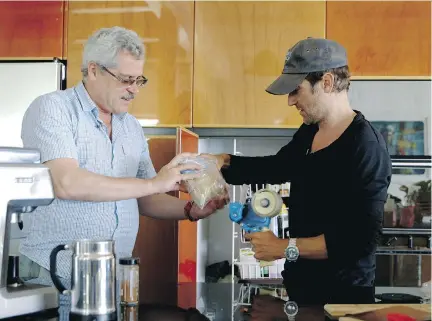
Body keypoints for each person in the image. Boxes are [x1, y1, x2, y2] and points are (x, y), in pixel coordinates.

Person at [19, 26, 228, 311]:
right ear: (93, 70)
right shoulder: (53, 109)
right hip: (53, 274)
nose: (135, 90)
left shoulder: (130, 127)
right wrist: (156, 182)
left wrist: (189, 210)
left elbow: (144, 196)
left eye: (139, 80)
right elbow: (66, 182)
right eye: (126, 80)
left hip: (110, 277)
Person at [205, 37, 392, 305]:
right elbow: (277, 167)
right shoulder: (310, 132)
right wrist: (222, 162)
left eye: (296, 90)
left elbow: (357, 241)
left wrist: (282, 247)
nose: (291, 101)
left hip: (344, 298)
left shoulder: (366, 146)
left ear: (326, 82)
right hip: (300, 285)